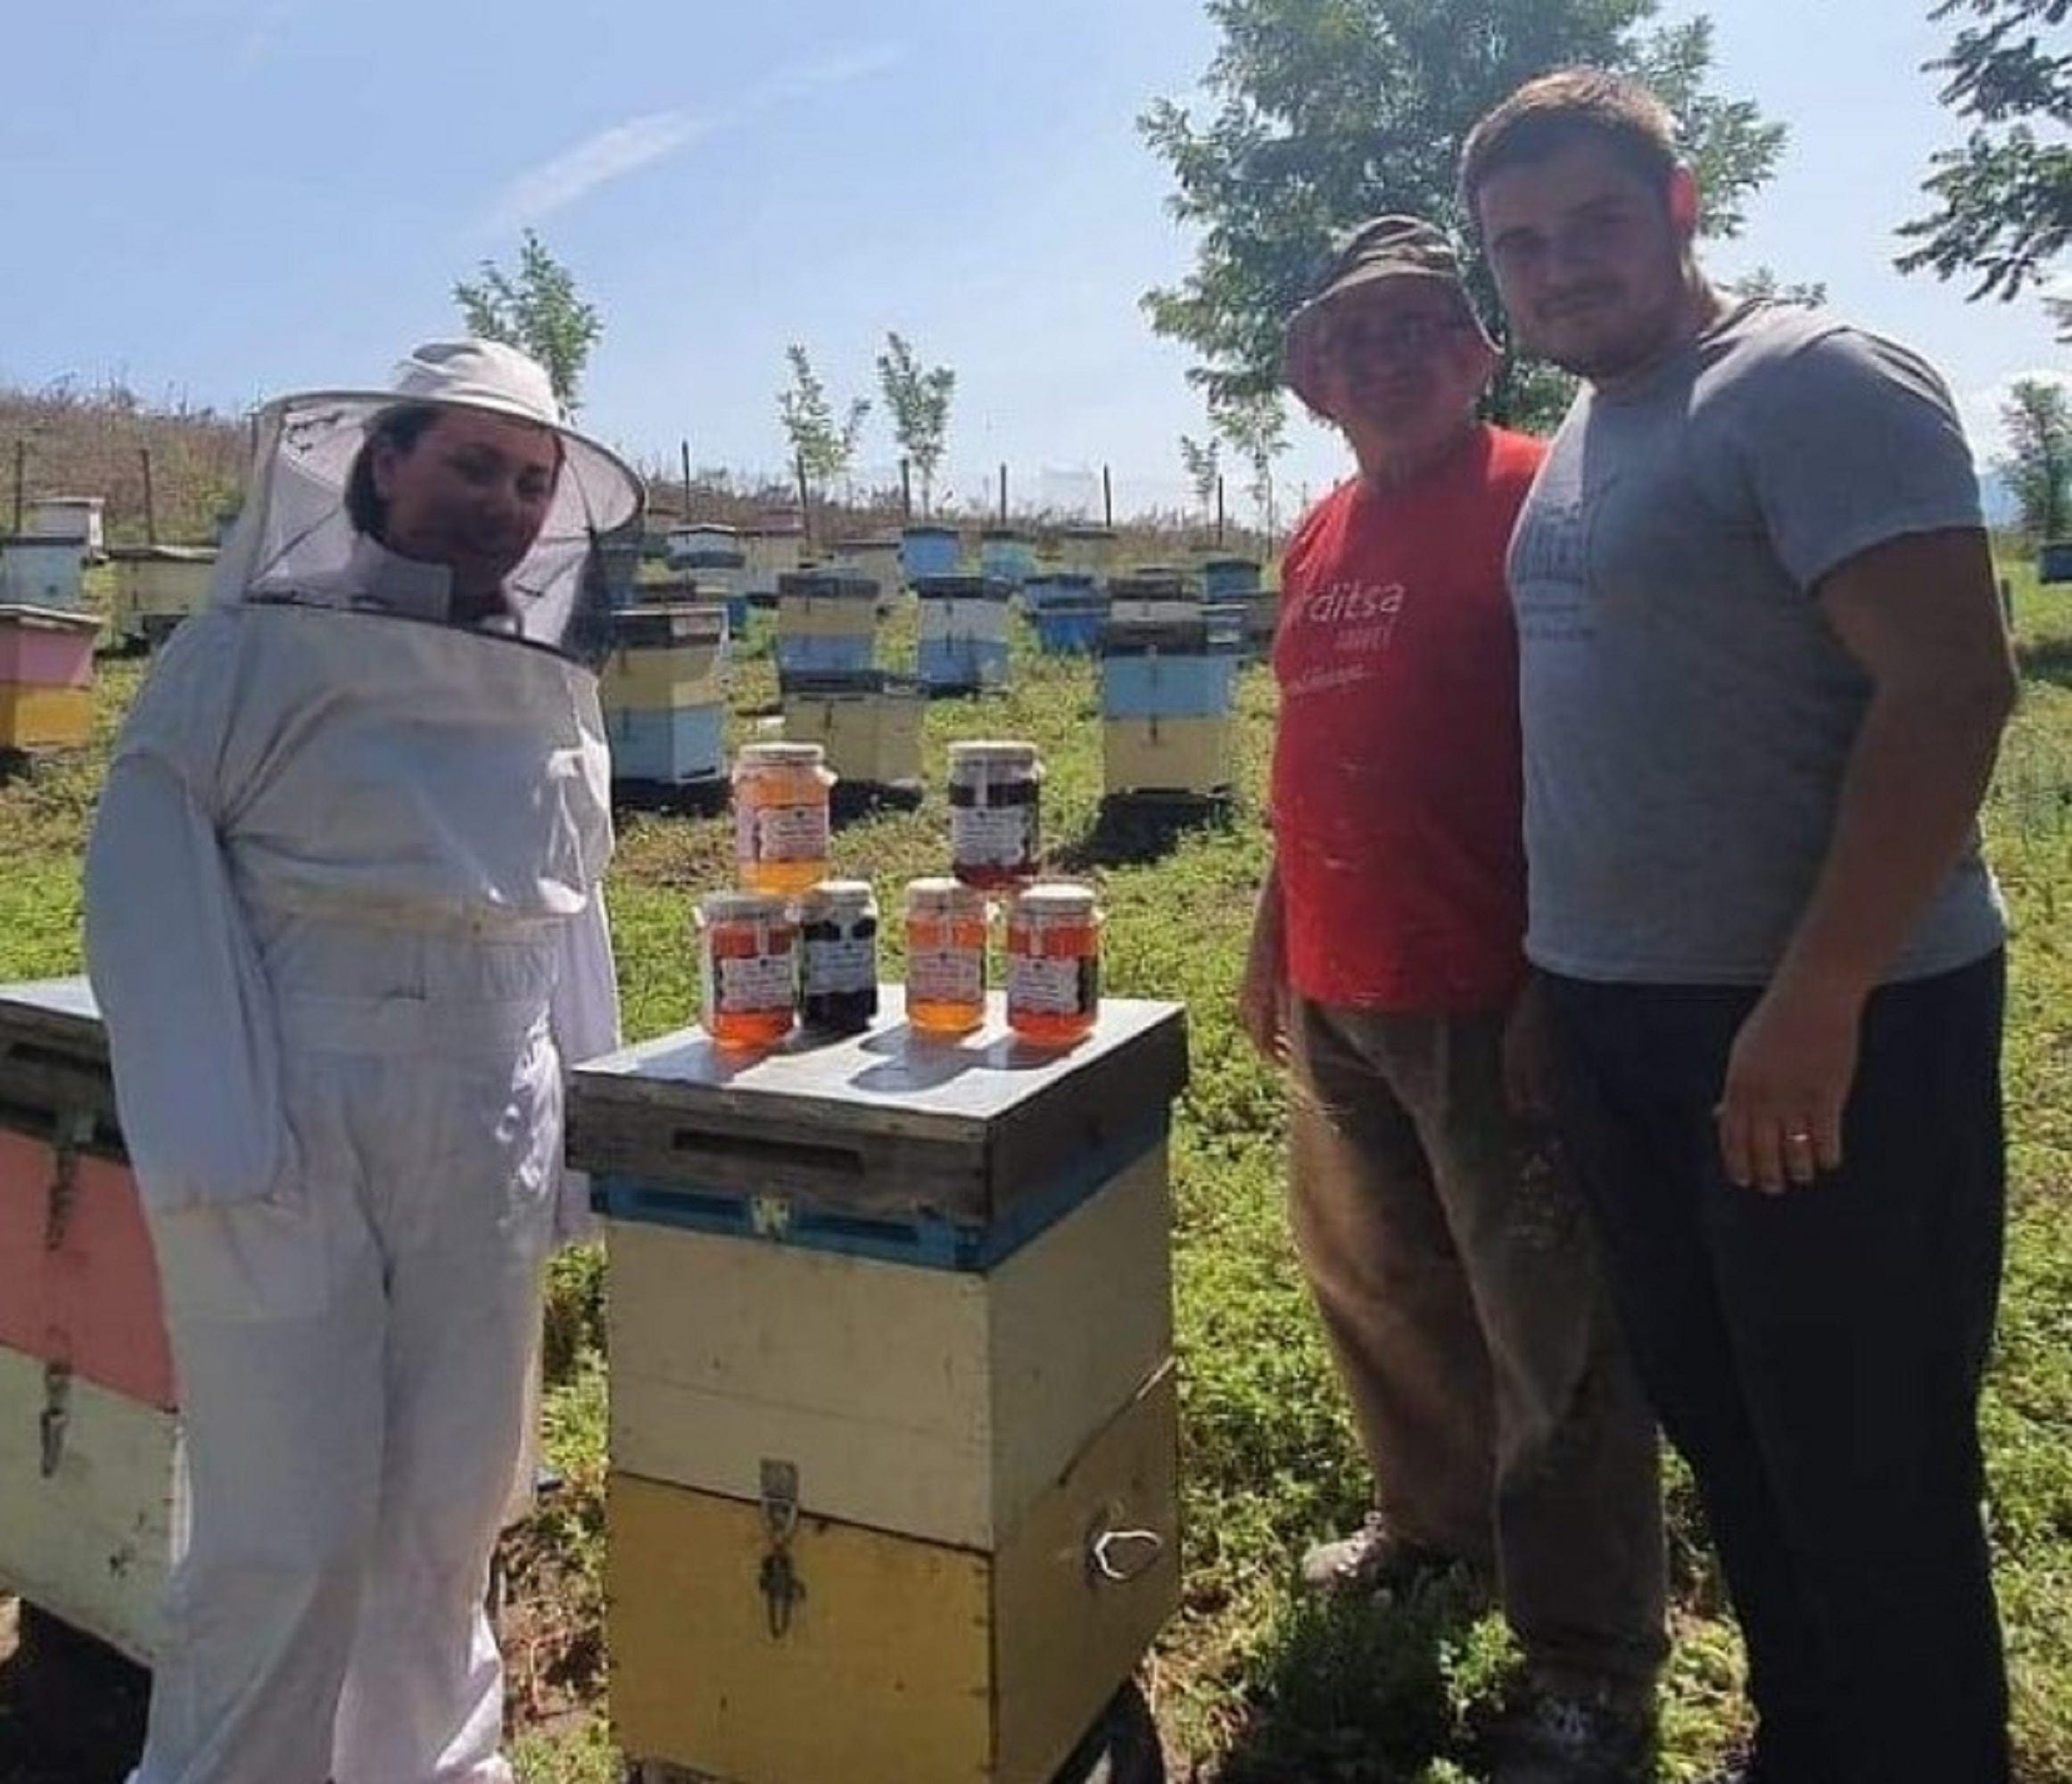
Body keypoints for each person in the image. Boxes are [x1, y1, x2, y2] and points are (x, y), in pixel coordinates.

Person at [1461, 69, 2018, 1784]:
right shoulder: (1587, 444)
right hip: (1629, 1028)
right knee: (1731, 1429)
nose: (1559, 271)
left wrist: (1818, 996)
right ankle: (1813, 1734)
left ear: (1683, 206)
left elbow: (1950, 687)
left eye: (1596, 226)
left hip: (1824, 1031)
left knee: (1865, 1459)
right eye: (1522, 245)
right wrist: (1561, 985)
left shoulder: (1808, 383)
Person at [84, 339, 643, 1784]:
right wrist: (226, 1146)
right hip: (292, 1111)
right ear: (380, 461)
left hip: (494, 1110)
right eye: (470, 463)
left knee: (451, 1511)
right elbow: (145, 888)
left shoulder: (553, 690)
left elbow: (572, 915)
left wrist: (583, 1136)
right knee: (287, 1533)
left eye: (529, 480)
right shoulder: (241, 658)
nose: (503, 503)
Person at [1243, 214, 1667, 1782]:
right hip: (1344, 987)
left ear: (1477, 351)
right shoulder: (1323, 531)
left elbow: (1610, 753)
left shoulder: (1544, 492)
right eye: (1354, 338)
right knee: (1380, 1289)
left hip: (1502, 991)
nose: (1388, 357)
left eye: (1420, 325)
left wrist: (1567, 977)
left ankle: (1590, 1656)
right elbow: (1314, 755)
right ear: (1312, 380)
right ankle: (1430, 1530)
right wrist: (1274, 932)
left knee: (1552, 1332)